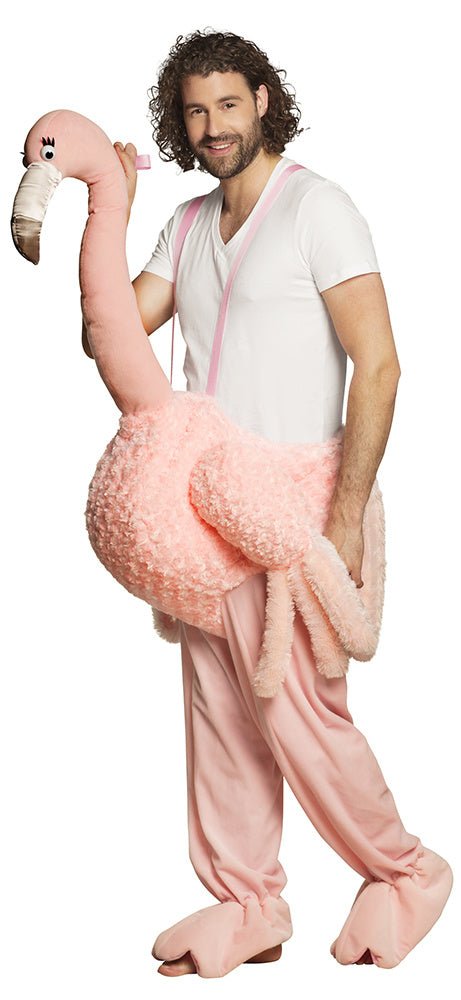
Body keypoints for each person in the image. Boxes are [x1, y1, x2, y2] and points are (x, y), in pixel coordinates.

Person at [83, 28, 453, 979]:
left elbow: (379, 366)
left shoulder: (317, 209)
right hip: (200, 509)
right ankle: (248, 902)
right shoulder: (186, 225)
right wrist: (108, 205)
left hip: (292, 504)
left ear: (261, 101)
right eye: (194, 112)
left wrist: (344, 517)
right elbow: (110, 333)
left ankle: (406, 872)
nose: (212, 126)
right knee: (219, 712)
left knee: (301, 717)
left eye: (227, 105)